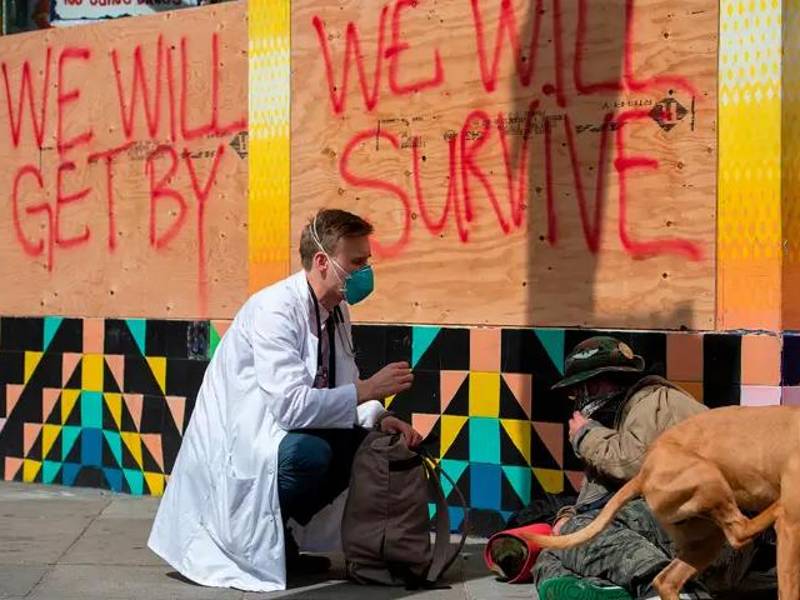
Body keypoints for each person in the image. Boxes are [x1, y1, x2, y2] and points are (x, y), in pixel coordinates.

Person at [147, 208, 423, 592]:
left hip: (287, 433)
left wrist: (379, 416)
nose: (366, 271)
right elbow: (291, 406)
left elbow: (341, 382)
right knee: (310, 456)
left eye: (367, 261)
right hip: (250, 441)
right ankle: (247, 541)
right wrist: (368, 391)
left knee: (368, 447)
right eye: (357, 262)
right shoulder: (275, 309)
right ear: (323, 262)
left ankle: (282, 539)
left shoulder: (336, 309)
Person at [533, 336, 772, 600]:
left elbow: (634, 466)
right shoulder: (615, 420)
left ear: (600, 381)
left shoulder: (654, 402)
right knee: (553, 553)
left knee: (582, 530)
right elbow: (598, 499)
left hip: (714, 537)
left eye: (582, 389)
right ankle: (607, 593)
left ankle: (671, 590)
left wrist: (585, 437)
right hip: (675, 533)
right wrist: (566, 516)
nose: (578, 398)